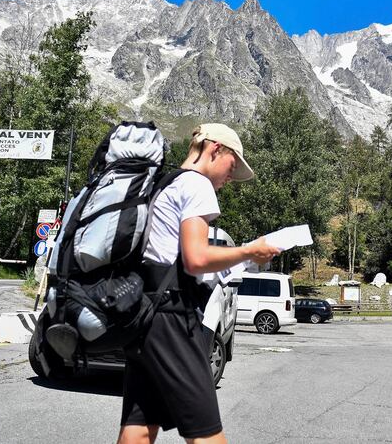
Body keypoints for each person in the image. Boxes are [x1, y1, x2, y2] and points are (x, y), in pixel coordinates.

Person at [118, 124, 281, 444]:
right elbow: (195, 259)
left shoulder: (163, 184)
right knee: (208, 435)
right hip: (173, 319)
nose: (231, 177)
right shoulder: (196, 184)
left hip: (144, 314)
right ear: (215, 149)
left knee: (139, 428)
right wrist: (250, 251)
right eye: (232, 166)